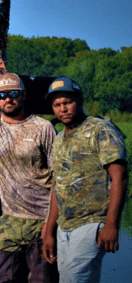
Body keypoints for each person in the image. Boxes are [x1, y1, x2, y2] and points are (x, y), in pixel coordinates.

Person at [0, 73, 58, 283]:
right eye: (2, 95)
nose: (8, 99)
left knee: (42, 279)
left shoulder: (43, 128)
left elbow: (58, 179)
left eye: (13, 93)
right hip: (8, 219)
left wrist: (50, 224)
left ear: (23, 95)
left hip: (41, 219)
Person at [42, 76, 128, 283]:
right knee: (67, 279)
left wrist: (111, 225)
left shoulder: (101, 130)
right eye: (57, 105)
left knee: (76, 279)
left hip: (92, 223)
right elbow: (58, 186)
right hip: (65, 226)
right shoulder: (60, 138)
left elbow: (120, 178)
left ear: (79, 100)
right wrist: (49, 230)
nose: (63, 109)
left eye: (67, 102)